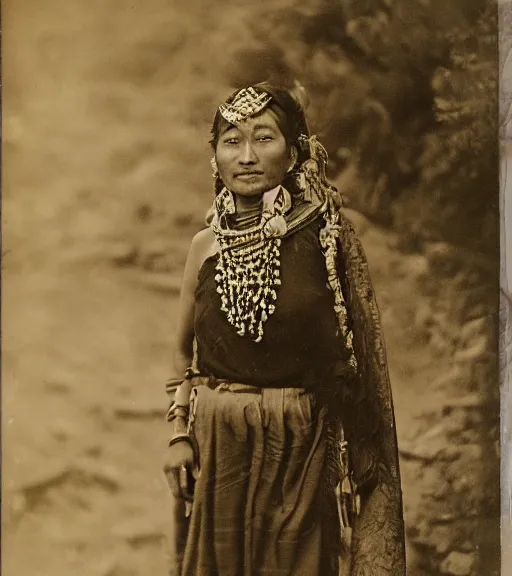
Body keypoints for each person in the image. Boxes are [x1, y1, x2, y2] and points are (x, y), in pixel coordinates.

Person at [163, 82, 406, 576]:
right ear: (215, 157)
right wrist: (178, 436)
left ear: (293, 151)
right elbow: (181, 353)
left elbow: (360, 361)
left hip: (301, 447)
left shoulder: (328, 235)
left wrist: (354, 462)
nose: (247, 156)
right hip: (218, 444)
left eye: (264, 138)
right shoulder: (204, 246)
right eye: (231, 140)